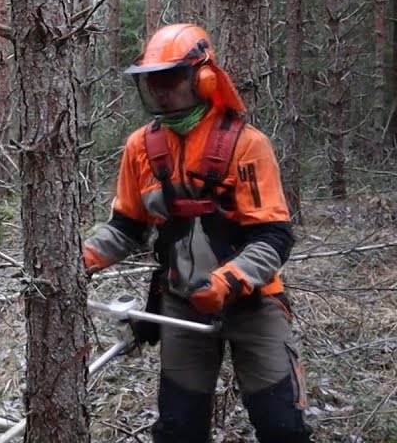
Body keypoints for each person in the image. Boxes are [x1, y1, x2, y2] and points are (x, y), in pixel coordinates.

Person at [82, 23, 313, 443]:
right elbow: (126, 227)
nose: (160, 90)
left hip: (254, 304)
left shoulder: (247, 145)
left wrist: (230, 279)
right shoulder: (140, 147)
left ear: (203, 78)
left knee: (283, 428)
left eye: (170, 78)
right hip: (181, 305)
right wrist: (83, 259)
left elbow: (274, 236)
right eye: (153, 81)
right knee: (178, 430)